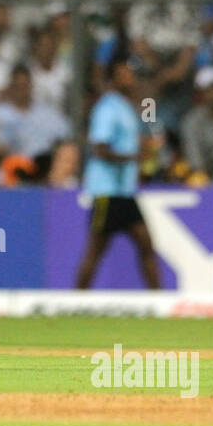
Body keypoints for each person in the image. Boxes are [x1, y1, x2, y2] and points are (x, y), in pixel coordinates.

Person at [75, 56, 162, 290]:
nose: (131, 78)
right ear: (114, 78)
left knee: (146, 244)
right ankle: (73, 301)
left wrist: (142, 151)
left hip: (124, 191)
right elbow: (100, 149)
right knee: (95, 250)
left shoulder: (126, 107)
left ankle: (161, 303)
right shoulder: (107, 107)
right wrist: (134, 157)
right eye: (126, 74)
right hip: (106, 190)